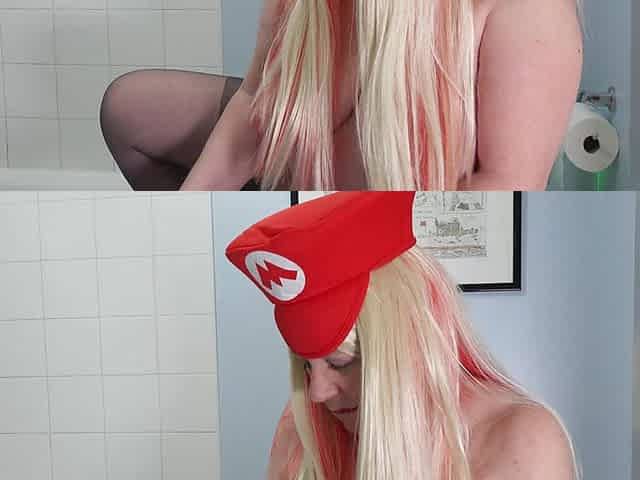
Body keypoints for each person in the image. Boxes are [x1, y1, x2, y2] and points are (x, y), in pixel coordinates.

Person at [225, 192, 580, 479]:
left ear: (410, 339)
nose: (317, 392)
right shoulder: (302, 427)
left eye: (340, 361)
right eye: (306, 365)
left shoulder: (520, 443)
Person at [99, 0, 583, 191]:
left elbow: (508, 184)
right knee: (132, 109)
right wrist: (188, 219)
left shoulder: (531, 14)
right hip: (298, 165)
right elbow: (256, 100)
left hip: (389, 203)